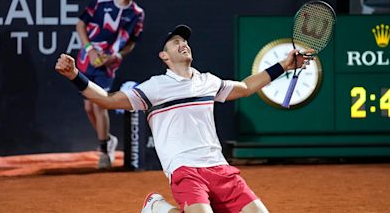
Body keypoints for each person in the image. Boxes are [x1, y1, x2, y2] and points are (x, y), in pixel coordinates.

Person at [55, 25, 313, 212]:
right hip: (185, 170)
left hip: (220, 168)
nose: (183, 44)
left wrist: (284, 65)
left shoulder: (208, 81)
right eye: (176, 42)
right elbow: (107, 100)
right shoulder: (155, 87)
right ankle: (157, 207)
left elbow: (245, 87)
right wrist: (76, 75)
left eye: (185, 41)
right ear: (164, 56)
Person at [75, 0, 144, 168]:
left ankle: (104, 152)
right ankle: (107, 139)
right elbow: (80, 24)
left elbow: (131, 43)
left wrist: (117, 56)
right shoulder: (100, 1)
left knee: (99, 104)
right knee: (89, 107)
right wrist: (89, 50)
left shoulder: (137, 14)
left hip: (108, 67)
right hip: (87, 60)